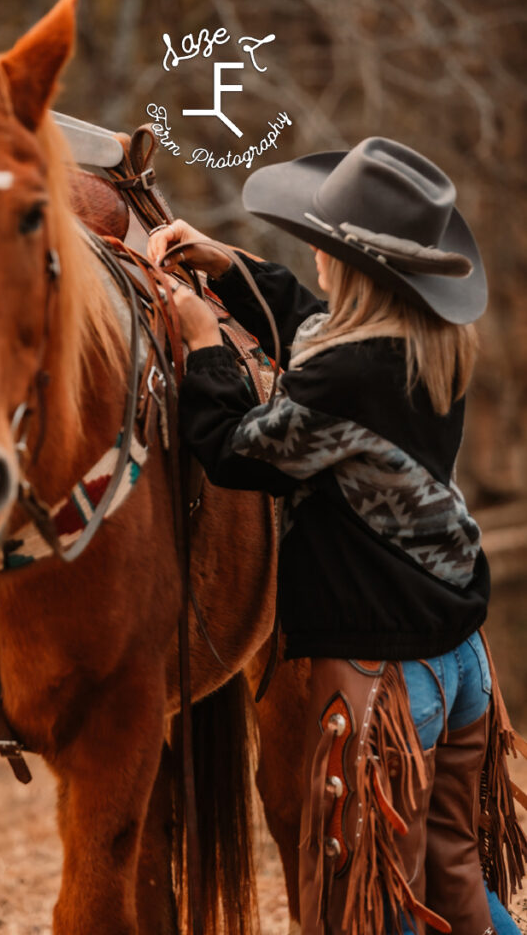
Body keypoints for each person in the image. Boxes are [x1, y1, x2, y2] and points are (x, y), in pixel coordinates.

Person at [147, 137, 526, 934]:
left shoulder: (344, 376)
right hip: (457, 660)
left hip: (382, 676)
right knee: (450, 874)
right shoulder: (428, 344)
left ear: (347, 265)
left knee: (368, 894)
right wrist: (230, 269)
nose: (311, 258)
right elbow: (319, 326)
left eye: (320, 246)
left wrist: (205, 341)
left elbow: (235, 449)